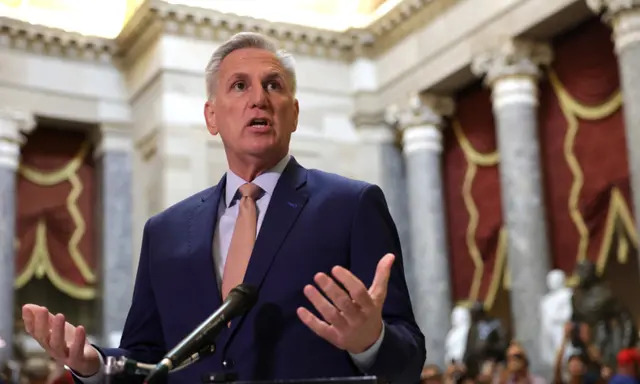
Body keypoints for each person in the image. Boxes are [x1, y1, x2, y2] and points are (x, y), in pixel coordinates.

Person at [21, 31, 426, 383]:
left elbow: (408, 360)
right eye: (239, 86)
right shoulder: (165, 231)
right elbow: (146, 357)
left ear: (295, 113)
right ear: (211, 116)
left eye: (273, 85)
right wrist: (93, 364)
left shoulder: (351, 206)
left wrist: (371, 343)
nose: (259, 100)